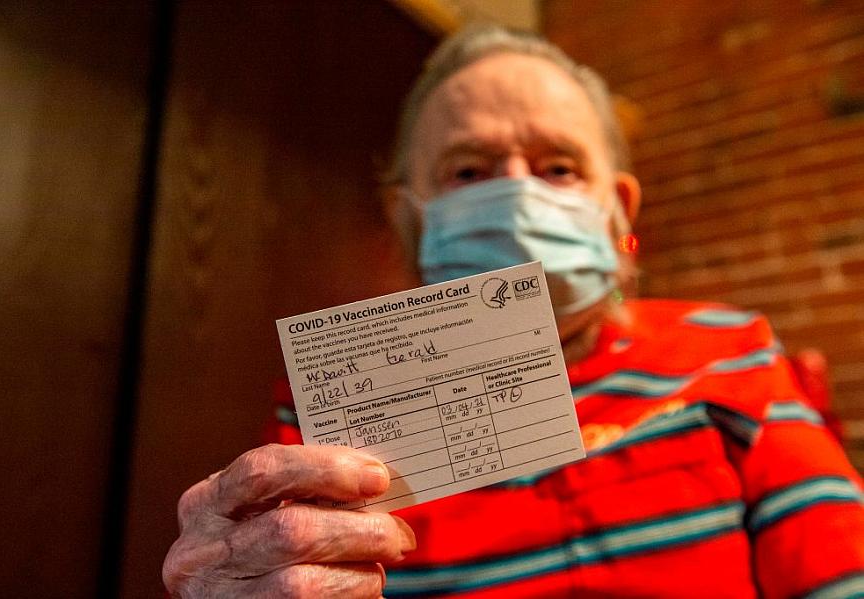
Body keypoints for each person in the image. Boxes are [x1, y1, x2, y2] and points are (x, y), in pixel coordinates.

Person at [163, 25, 864, 598]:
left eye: (558, 166)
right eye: (468, 171)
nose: (518, 196)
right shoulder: (327, 420)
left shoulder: (730, 354)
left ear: (618, 208)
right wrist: (233, 572)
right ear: (406, 216)